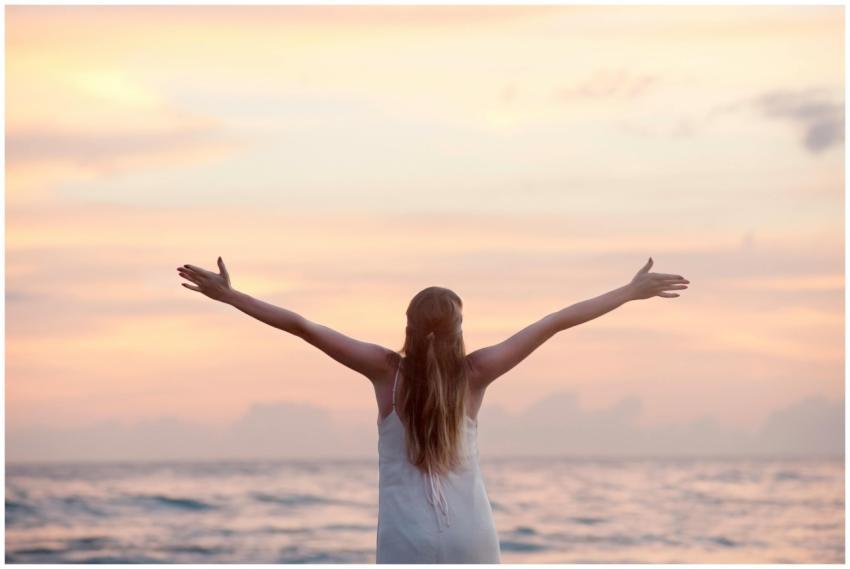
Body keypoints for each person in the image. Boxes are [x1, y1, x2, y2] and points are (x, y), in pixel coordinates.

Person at [176, 256, 689, 563]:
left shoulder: (384, 372)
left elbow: (302, 325)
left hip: (406, 541)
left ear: (408, 323)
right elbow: (555, 321)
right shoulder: (478, 371)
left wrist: (230, 296)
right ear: (459, 328)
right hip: (471, 536)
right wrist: (628, 292)